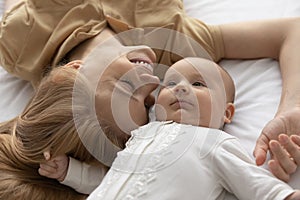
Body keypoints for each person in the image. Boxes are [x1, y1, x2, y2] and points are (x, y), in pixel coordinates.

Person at [1, 0, 300, 182]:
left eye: (127, 85)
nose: (153, 83)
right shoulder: (178, 47)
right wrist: (291, 110)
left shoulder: (18, 47)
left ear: (75, 68)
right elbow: (291, 31)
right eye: (147, 103)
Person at [41, 57, 300, 199]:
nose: (180, 87)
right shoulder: (140, 136)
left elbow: (252, 182)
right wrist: (70, 172)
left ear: (226, 112)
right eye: (170, 83)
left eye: (198, 84)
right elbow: (110, 177)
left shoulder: (214, 143)